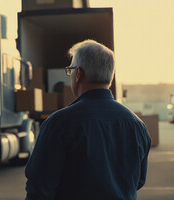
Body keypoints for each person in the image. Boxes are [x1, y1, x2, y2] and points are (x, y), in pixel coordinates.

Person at [25, 39, 151, 200]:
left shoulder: (59, 123)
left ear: (78, 74)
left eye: (70, 71)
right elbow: (138, 181)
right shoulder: (136, 125)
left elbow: (40, 188)